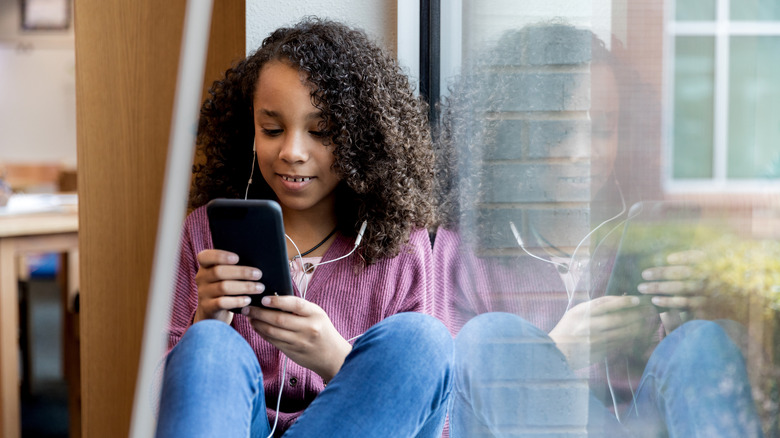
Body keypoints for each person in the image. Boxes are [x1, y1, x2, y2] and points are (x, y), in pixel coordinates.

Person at [432, 22, 763, 437]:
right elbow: (443, 408)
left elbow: (702, 378)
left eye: (602, 129)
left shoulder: (648, 232)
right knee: (489, 338)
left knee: (702, 341)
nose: (584, 153)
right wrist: (556, 351)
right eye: (560, 132)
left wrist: (684, 316)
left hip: (636, 424)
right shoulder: (464, 251)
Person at [155, 18, 453, 438]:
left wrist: (336, 358)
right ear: (249, 132)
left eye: (322, 131)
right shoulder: (204, 232)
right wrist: (207, 318)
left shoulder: (401, 244)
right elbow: (158, 406)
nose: (292, 152)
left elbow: (426, 409)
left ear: (361, 138)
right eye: (272, 130)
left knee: (423, 341)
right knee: (207, 345)